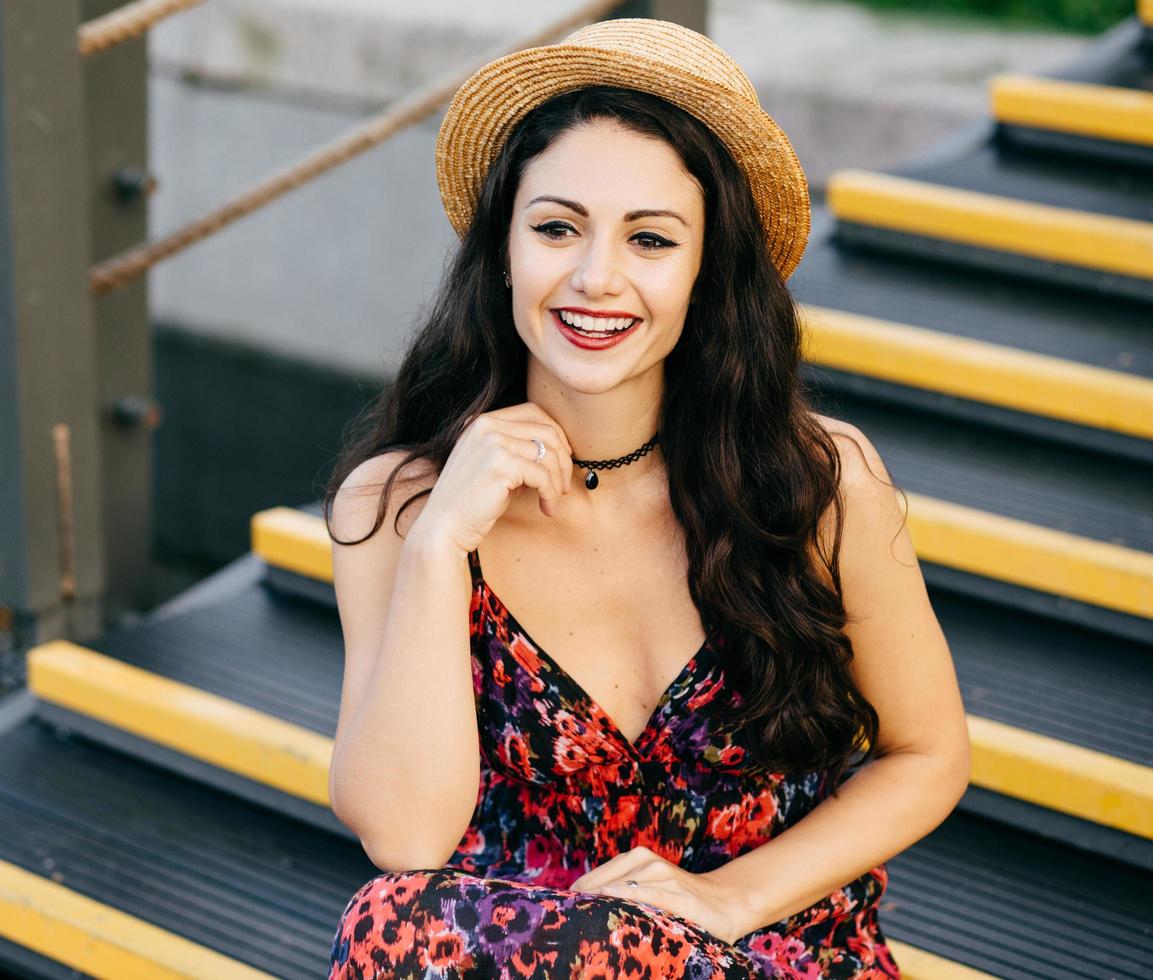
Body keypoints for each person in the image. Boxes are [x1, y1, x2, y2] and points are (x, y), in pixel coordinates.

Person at [320, 17, 969, 978]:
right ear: (504, 249)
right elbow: (406, 839)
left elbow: (928, 754)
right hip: (509, 953)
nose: (595, 279)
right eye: (556, 227)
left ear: (707, 271)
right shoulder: (401, 506)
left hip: (762, 950)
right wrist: (439, 548)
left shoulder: (817, 483)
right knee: (400, 922)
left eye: (651, 239)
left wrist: (726, 898)